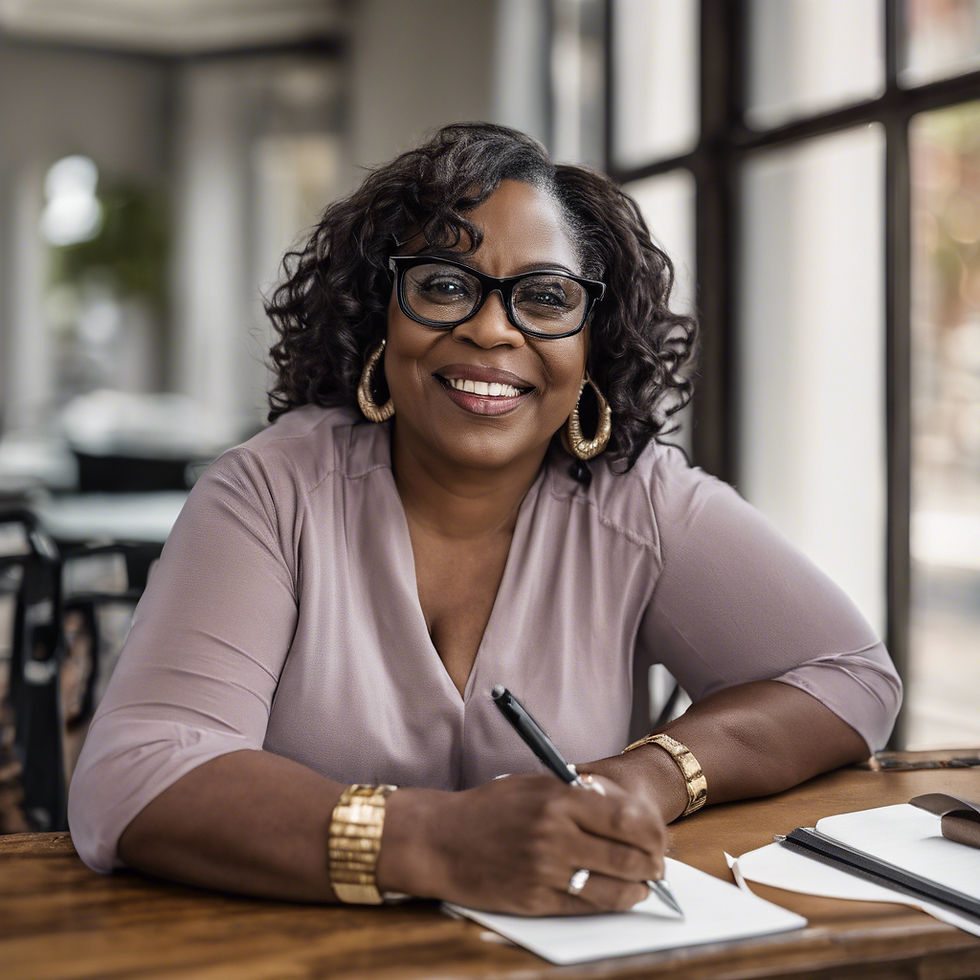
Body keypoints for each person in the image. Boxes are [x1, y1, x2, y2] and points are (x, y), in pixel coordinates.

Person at [68, 122, 901, 916]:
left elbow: (848, 675)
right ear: (379, 318)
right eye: (443, 285)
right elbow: (136, 775)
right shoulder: (269, 492)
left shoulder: (637, 499)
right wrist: (436, 840)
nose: (492, 328)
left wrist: (647, 778)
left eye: (545, 297)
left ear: (591, 345)